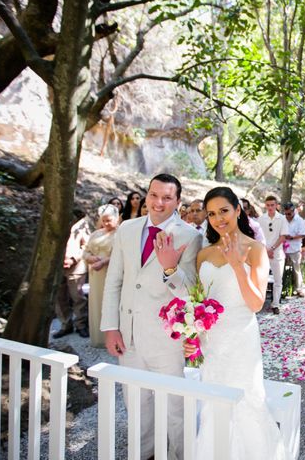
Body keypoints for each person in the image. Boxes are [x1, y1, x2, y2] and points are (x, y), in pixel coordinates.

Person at [101, 173, 202, 459]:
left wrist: (170, 268)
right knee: (136, 402)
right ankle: (144, 454)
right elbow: (114, 281)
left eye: (167, 197)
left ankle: (180, 455)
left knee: (175, 406)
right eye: (154, 195)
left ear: (178, 202)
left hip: (167, 337)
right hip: (128, 334)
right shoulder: (127, 229)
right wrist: (111, 327)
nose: (159, 203)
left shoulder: (191, 236)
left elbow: (191, 293)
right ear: (146, 195)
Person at [194, 186, 287, 459]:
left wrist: (237, 265)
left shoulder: (255, 250)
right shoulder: (204, 254)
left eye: (224, 210)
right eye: (211, 214)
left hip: (241, 339)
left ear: (238, 210)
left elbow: (257, 304)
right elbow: (199, 303)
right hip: (211, 342)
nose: (218, 218)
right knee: (213, 403)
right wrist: (193, 338)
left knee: (246, 401)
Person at [82, 204, 119, 347]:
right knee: (97, 303)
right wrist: (90, 258)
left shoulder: (121, 233)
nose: (106, 223)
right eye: (104, 220)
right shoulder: (96, 234)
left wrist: (103, 261)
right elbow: (85, 251)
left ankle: (113, 339)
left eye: (109, 220)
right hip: (96, 275)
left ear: (116, 218)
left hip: (112, 273)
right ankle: (98, 338)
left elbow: (121, 254)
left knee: (111, 303)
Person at [52, 208, 91, 339]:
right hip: (57, 267)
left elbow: (86, 246)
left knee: (78, 297)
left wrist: (73, 259)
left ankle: (81, 325)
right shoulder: (53, 224)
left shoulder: (80, 226)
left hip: (76, 267)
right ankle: (65, 325)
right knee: (59, 298)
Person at [257, 195, 289, 314]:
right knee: (261, 279)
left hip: (277, 253)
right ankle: (259, 303)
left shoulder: (282, 218)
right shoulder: (261, 219)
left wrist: (273, 249)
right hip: (264, 253)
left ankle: (275, 304)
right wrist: (266, 250)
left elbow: (283, 236)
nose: (270, 207)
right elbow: (258, 237)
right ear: (265, 205)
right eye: (268, 205)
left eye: (272, 205)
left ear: (276, 205)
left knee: (277, 280)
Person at [283, 202, 305, 296]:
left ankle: (299, 289)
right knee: (282, 269)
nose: (287, 216)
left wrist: (292, 237)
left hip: (295, 248)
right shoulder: (282, 219)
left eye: (289, 214)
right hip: (283, 248)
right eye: (286, 214)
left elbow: (303, 234)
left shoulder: (299, 220)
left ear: (293, 211)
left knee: (296, 269)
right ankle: (284, 287)